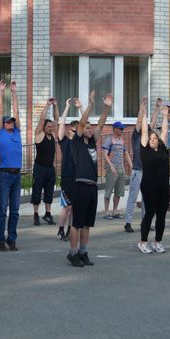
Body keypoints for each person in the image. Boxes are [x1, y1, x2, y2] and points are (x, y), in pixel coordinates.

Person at [66, 91, 112, 267]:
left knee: (87, 224)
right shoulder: (76, 142)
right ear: (79, 129)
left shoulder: (92, 142)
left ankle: (83, 251)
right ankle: (73, 253)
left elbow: (100, 123)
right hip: (80, 186)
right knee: (77, 223)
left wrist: (106, 108)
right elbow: (83, 121)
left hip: (92, 186)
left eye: (90, 128)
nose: (90, 128)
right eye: (87, 127)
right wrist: (90, 106)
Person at [137, 98, 170, 254]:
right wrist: (143, 111)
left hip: (163, 186)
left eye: (154, 138)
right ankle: (143, 242)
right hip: (149, 186)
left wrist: (165, 115)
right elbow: (145, 130)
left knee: (162, 215)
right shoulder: (145, 149)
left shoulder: (162, 147)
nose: (152, 140)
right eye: (151, 138)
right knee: (149, 214)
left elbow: (164, 131)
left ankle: (158, 242)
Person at [0, 80, 22, 252]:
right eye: (8, 122)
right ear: (3, 125)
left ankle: (12, 239)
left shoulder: (17, 132)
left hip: (17, 175)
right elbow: (0, 111)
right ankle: (0, 239)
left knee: (15, 211)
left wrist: (13, 92)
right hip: (4, 175)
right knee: (3, 210)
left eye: (12, 122)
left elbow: (17, 112)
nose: (11, 123)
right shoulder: (1, 133)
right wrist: (1, 91)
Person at [124, 103, 153, 235]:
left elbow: (151, 122)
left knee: (147, 199)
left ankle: (145, 222)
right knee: (132, 197)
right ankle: (128, 222)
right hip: (137, 171)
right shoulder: (136, 137)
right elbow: (138, 121)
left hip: (147, 173)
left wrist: (157, 109)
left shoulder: (150, 140)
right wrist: (142, 108)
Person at [31, 98, 58, 227]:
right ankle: (36, 215)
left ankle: (48, 213)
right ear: (44, 127)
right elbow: (42, 119)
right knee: (37, 191)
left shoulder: (52, 135)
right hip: (39, 168)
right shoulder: (39, 134)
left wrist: (56, 106)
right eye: (48, 126)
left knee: (49, 192)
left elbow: (57, 120)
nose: (50, 128)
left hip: (50, 168)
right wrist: (47, 105)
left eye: (51, 127)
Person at [56, 99, 78, 242]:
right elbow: (61, 123)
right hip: (67, 176)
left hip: (78, 177)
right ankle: (61, 230)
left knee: (74, 206)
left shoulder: (80, 143)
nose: (77, 133)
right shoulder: (65, 141)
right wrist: (67, 107)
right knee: (67, 206)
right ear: (70, 130)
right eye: (75, 130)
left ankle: (71, 228)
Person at [102, 121, 131, 221]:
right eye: (120, 129)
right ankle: (106, 212)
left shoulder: (121, 140)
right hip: (112, 169)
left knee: (119, 191)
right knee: (109, 190)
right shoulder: (109, 139)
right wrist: (111, 166)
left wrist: (130, 165)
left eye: (123, 129)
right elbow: (105, 154)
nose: (122, 131)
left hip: (121, 168)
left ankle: (115, 211)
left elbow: (125, 153)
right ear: (115, 129)